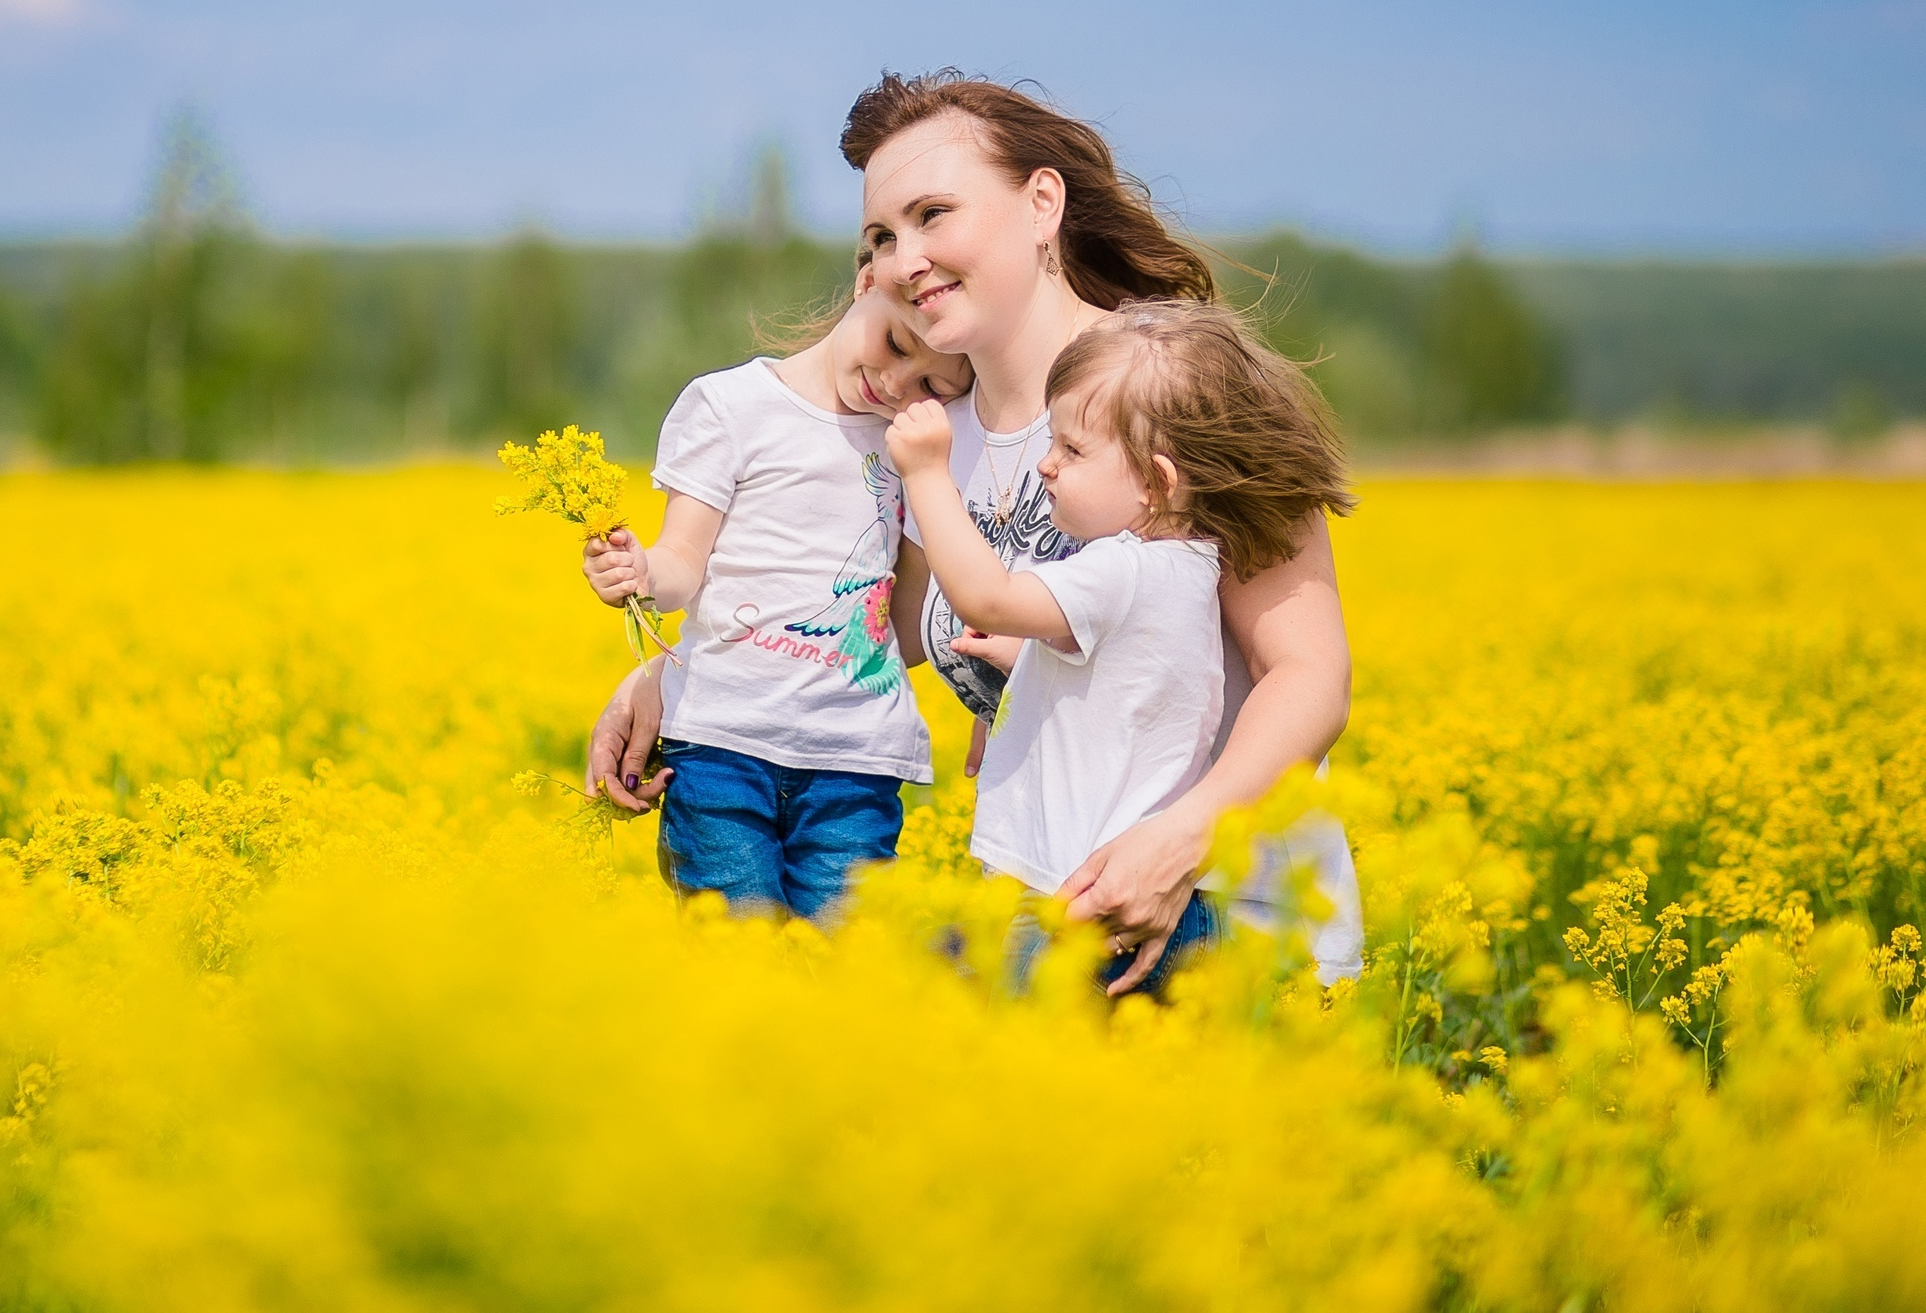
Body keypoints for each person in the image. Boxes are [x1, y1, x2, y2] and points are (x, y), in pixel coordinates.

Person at [592, 70, 1364, 992]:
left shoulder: (1172, 384)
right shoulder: (922, 439)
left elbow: (1310, 675)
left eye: (932, 214)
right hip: (1056, 927)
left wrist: (1181, 843)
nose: (903, 259)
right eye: (881, 236)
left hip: (1226, 917)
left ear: (1042, 204)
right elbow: (861, 622)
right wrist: (673, 675)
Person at [887, 301, 1355, 995]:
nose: (1046, 466)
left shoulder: (1123, 566)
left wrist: (928, 472)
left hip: (1091, 895)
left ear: (1157, 483)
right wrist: (1032, 668)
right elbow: (1145, 685)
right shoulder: (1189, 569)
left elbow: (986, 597)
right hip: (1129, 894)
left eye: (1071, 451)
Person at [579, 273, 973, 924]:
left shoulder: (922, 448)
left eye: (933, 386)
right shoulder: (730, 405)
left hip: (856, 761)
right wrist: (640, 572)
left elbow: (904, 629)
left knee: (849, 960)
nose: (899, 384)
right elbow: (682, 562)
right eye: (898, 344)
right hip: (720, 749)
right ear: (867, 280)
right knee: (738, 951)